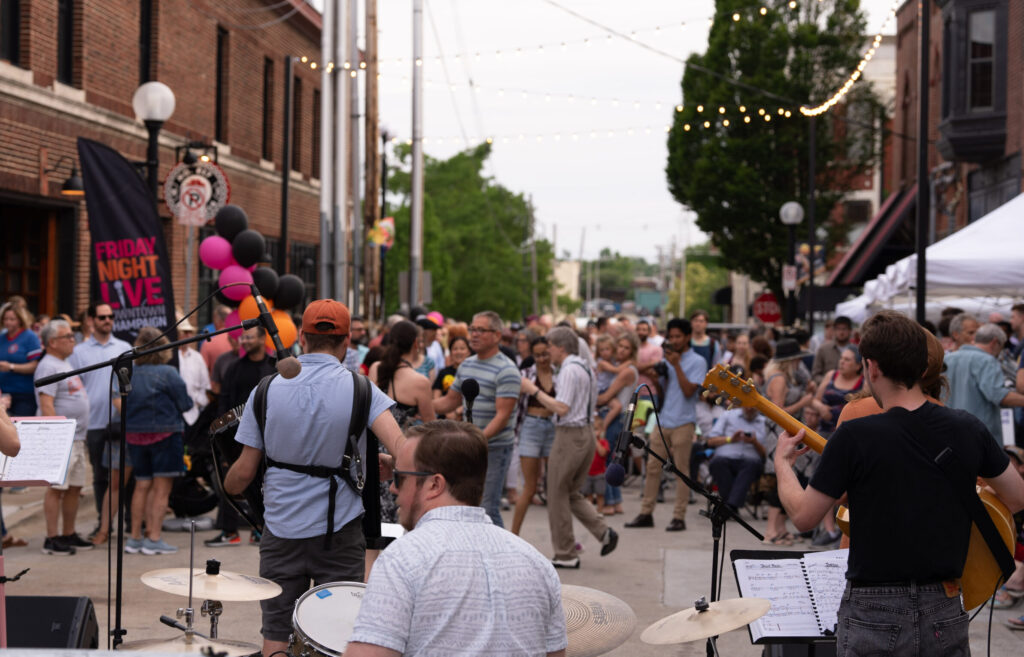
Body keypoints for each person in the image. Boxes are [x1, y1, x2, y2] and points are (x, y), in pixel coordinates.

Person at [775, 310, 1024, 655]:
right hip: (945, 602)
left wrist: (782, 464)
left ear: (872, 367)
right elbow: (1017, 497)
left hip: (873, 607)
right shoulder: (968, 428)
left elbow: (803, 517)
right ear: (924, 367)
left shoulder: (854, 435)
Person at [224, 299, 406, 657]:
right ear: (347, 341)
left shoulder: (266, 389)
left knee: (275, 634)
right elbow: (404, 449)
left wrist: (225, 483)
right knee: (338, 636)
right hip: (339, 533)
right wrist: (386, 462)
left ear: (302, 339)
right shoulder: (362, 389)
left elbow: (242, 474)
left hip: (280, 530)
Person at [346, 420, 567, 657]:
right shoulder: (537, 562)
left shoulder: (402, 560)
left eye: (400, 478)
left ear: (434, 484)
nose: (392, 489)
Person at [520, 326, 617, 569]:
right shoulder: (585, 368)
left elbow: (562, 407)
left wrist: (533, 390)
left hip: (569, 434)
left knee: (556, 493)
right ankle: (603, 532)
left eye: (550, 347)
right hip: (584, 433)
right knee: (570, 491)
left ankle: (565, 553)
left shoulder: (568, 370)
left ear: (560, 348)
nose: (548, 351)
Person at [433, 311, 521, 528]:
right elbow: (450, 401)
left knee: (488, 508)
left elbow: (503, 415)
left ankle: (503, 555)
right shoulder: (467, 365)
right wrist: (418, 405)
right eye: (472, 329)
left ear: (497, 335)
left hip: (495, 448)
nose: (474, 334)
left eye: (481, 330)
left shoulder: (507, 370)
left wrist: (476, 438)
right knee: (466, 507)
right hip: (469, 447)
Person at [625, 318, 707, 532]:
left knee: (681, 470)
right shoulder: (666, 359)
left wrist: (677, 366)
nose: (674, 340)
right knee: (652, 467)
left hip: (684, 421)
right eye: (671, 336)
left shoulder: (697, 361)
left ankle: (679, 517)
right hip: (663, 419)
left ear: (687, 337)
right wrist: (657, 377)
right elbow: (664, 392)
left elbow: (690, 391)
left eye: (678, 336)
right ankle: (646, 513)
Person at [121, 327, 192, 555]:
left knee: (141, 486)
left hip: (134, 434)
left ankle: (134, 538)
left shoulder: (130, 372)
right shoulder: (168, 372)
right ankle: (154, 537)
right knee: (162, 490)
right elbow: (186, 404)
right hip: (165, 433)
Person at [205, 325, 277, 547]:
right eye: (242, 337)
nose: (244, 341)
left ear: (263, 339)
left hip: (270, 437)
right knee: (233, 478)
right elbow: (224, 402)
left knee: (265, 484)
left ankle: (260, 530)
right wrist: (221, 437)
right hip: (238, 438)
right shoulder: (234, 367)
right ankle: (229, 530)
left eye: (249, 337)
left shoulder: (274, 366)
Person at [69, 303, 132, 534]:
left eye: (111, 316)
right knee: (100, 476)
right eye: (102, 316)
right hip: (94, 423)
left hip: (120, 422)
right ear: (91, 320)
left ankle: (129, 523)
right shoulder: (79, 352)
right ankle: (103, 523)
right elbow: (74, 386)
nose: (107, 320)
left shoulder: (125, 348)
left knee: (125, 476)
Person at [34, 319, 93, 555]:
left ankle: (68, 533)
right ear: (52, 342)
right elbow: (46, 404)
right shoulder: (48, 366)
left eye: (72, 335)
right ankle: (52, 537)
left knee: (75, 488)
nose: (73, 340)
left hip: (77, 437)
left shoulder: (65, 362)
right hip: (62, 438)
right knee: (56, 488)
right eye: (67, 336)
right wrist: (57, 437)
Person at [760, 338, 816, 544]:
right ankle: (771, 530)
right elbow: (777, 412)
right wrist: (803, 402)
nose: (799, 364)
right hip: (779, 434)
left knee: (791, 478)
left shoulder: (787, 377)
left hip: (789, 432)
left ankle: (781, 527)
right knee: (781, 480)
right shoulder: (779, 379)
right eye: (797, 360)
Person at [944, 322, 1024, 442]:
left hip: (950, 431)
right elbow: (998, 395)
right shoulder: (987, 361)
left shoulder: (947, 359)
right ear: (995, 342)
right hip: (979, 434)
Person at [511, 336, 556, 534]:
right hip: (530, 426)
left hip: (553, 427)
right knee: (529, 488)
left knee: (555, 487)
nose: (542, 359)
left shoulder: (560, 373)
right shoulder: (525, 374)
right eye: (537, 355)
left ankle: (563, 538)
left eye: (545, 354)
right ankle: (514, 535)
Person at [596, 331, 640, 515]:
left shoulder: (627, 371)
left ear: (632, 351)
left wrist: (595, 398)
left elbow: (606, 396)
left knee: (607, 459)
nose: (621, 350)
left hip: (616, 416)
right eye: (620, 346)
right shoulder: (624, 368)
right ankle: (617, 502)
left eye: (626, 348)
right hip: (620, 416)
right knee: (613, 458)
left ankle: (610, 502)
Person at [370, 320, 437, 430]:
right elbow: (432, 427)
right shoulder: (420, 382)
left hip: (374, 444)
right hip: (403, 444)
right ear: (415, 343)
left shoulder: (375, 368)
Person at [706, 405, 767, 513]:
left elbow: (765, 454)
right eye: (747, 406)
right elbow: (710, 441)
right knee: (718, 463)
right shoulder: (728, 415)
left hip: (750, 461)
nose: (749, 408)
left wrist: (754, 442)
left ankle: (728, 507)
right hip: (725, 457)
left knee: (751, 465)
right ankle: (732, 506)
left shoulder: (764, 422)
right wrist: (731, 439)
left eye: (752, 406)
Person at [0, 302, 42, 417]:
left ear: (20, 320)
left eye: (12, 319)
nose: (8, 322)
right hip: (4, 393)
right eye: (5, 319)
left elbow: (35, 365)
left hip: (24, 394)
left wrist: (11, 367)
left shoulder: (30, 337)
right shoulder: (1, 338)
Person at [811, 345, 864, 434]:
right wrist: (821, 408)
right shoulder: (831, 375)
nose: (842, 362)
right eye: (841, 358)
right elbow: (815, 400)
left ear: (858, 366)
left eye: (847, 360)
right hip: (825, 430)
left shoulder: (863, 383)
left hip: (848, 433)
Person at [175, 317, 210, 427]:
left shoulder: (197, 357)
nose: (188, 336)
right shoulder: (170, 357)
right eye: (185, 332)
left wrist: (197, 401)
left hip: (193, 416)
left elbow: (205, 385)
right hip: (173, 415)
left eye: (190, 332)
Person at [431, 335, 471, 416]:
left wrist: (457, 412)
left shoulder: (473, 373)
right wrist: (447, 412)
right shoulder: (443, 372)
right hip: (444, 418)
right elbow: (436, 397)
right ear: (451, 352)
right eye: (455, 349)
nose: (458, 352)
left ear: (468, 352)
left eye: (462, 348)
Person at [811, 315, 853, 384]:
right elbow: (815, 374)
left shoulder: (856, 350)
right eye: (838, 329)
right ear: (834, 330)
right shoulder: (823, 349)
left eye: (844, 329)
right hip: (827, 390)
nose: (841, 332)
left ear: (850, 331)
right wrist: (830, 382)